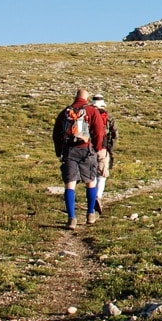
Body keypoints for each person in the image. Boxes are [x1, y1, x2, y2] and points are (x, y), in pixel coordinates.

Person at [52, 88, 105, 229]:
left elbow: (56, 133)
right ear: (86, 98)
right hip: (87, 150)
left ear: (75, 97)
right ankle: (90, 214)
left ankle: (71, 218)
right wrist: (98, 148)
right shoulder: (91, 111)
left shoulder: (65, 112)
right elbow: (99, 131)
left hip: (69, 151)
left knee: (70, 184)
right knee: (91, 182)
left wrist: (59, 151)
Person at [90, 94, 117, 214]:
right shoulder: (108, 117)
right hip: (103, 148)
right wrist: (110, 148)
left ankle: (91, 198)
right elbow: (115, 134)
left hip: (88, 148)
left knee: (91, 173)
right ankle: (98, 196)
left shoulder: (87, 114)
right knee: (102, 174)